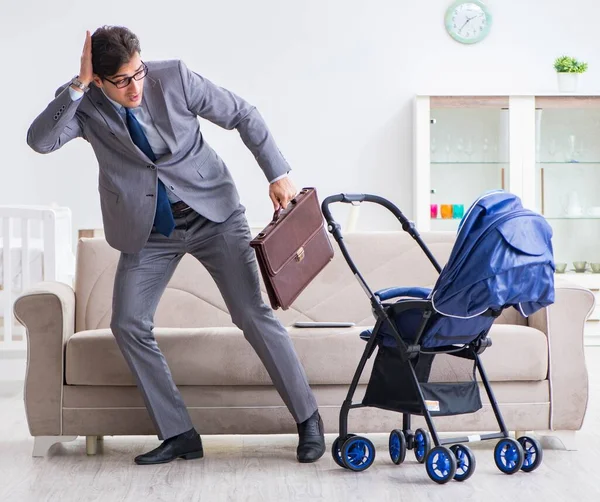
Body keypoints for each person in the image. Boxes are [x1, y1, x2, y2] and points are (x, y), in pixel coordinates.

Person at [27, 26, 325, 465]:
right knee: (128, 323)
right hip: (149, 231)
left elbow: (244, 113)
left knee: (251, 313)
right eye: (122, 80)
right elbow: (40, 141)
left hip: (214, 215)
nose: (135, 86)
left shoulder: (175, 77)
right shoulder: (84, 101)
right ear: (99, 79)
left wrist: (277, 174)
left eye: (138, 72)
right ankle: (180, 434)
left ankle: (309, 419)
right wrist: (78, 85)